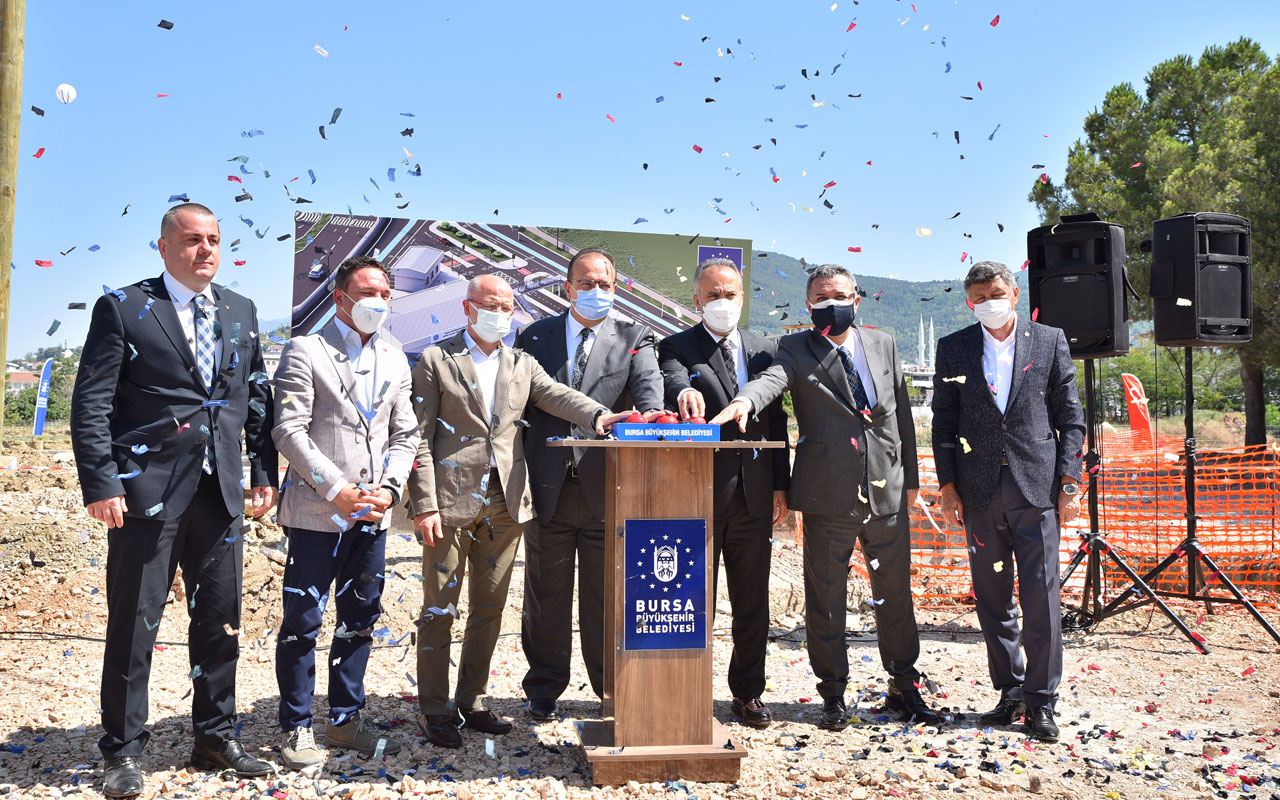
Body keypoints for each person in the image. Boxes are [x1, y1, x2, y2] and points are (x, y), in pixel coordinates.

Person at [70, 203, 279, 797]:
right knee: (135, 625)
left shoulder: (240, 310)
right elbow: (92, 403)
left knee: (220, 620)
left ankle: (215, 735)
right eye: (192, 240)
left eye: (214, 239)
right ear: (163, 247)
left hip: (221, 493)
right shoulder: (126, 308)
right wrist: (103, 482)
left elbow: (254, 396)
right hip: (147, 494)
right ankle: (123, 750)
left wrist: (263, 469)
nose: (206, 250)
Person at [407, 275, 634, 749]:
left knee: (489, 609)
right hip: (448, 504)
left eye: (509, 307)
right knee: (439, 608)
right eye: (492, 305)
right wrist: (424, 504)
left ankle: (471, 701)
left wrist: (599, 416)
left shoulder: (520, 363)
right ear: (468, 308)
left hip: (506, 503)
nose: (501, 314)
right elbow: (420, 438)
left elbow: (556, 396)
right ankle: (434, 707)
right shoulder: (435, 359)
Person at [711, 264, 940, 730]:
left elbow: (901, 418)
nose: (828, 303)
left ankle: (903, 682)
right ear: (808, 305)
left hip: (887, 490)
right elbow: (770, 381)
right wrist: (744, 402)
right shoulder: (795, 347)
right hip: (826, 495)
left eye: (837, 295)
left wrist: (910, 478)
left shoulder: (884, 344)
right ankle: (833, 691)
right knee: (827, 598)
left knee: (894, 594)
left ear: (857, 300)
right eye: (819, 297)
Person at [270, 256, 421, 769]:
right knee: (303, 622)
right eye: (367, 293)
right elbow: (288, 430)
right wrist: (335, 488)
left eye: (385, 293)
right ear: (340, 299)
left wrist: (391, 489)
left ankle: (345, 721)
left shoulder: (396, 356)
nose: (378, 303)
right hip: (318, 511)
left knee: (359, 617)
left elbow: (405, 434)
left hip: (371, 515)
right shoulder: (306, 351)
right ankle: (296, 726)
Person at [931, 260, 1085, 743]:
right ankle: (1011, 691)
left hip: (1036, 490)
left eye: (995, 293)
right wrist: (948, 487)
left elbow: (1071, 418)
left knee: (1041, 598)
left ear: (1014, 293)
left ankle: (1042, 701)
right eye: (978, 297)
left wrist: (1068, 482)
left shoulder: (1049, 339)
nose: (988, 302)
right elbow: (942, 425)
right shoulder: (952, 347)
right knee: (993, 600)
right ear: (969, 301)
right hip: (977, 492)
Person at [514, 248, 665, 720]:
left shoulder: (635, 337)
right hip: (548, 485)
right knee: (545, 593)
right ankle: (544, 687)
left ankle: (609, 688)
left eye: (604, 284)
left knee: (607, 597)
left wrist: (651, 414)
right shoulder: (533, 336)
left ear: (616, 289)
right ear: (567, 287)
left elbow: (648, 394)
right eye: (585, 283)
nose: (595, 291)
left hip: (610, 488)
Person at [657, 257, 790, 728]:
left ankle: (748, 693)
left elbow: (777, 421)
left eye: (730, 294)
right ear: (697, 300)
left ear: (743, 297)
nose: (722, 303)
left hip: (755, 496)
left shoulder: (765, 349)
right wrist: (682, 395)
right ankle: (687, 691)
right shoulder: (675, 346)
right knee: (692, 602)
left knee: (752, 602)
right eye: (712, 295)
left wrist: (780, 487)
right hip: (696, 494)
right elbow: (674, 382)